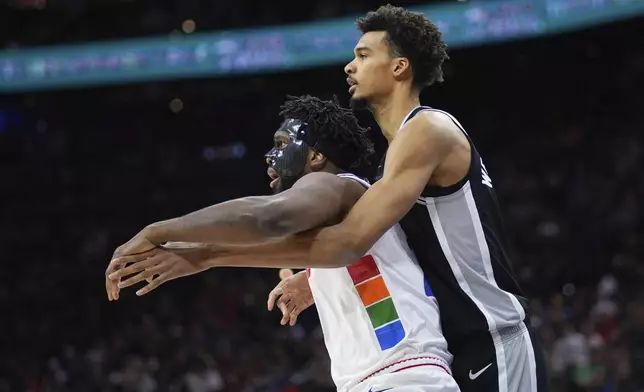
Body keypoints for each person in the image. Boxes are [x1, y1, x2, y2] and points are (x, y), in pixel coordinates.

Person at [273, 5, 549, 392]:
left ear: (399, 67)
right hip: (453, 350)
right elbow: (392, 250)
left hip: (492, 337)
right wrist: (313, 278)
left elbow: (350, 240)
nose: (349, 67)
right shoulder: (394, 160)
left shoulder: (427, 129)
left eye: (363, 55)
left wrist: (207, 255)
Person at [106, 95, 460, 392]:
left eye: (281, 144)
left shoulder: (331, 184)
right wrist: (311, 279)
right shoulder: (350, 215)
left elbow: (268, 219)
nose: (269, 156)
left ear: (316, 157)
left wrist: (162, 231)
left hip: (402, 379)